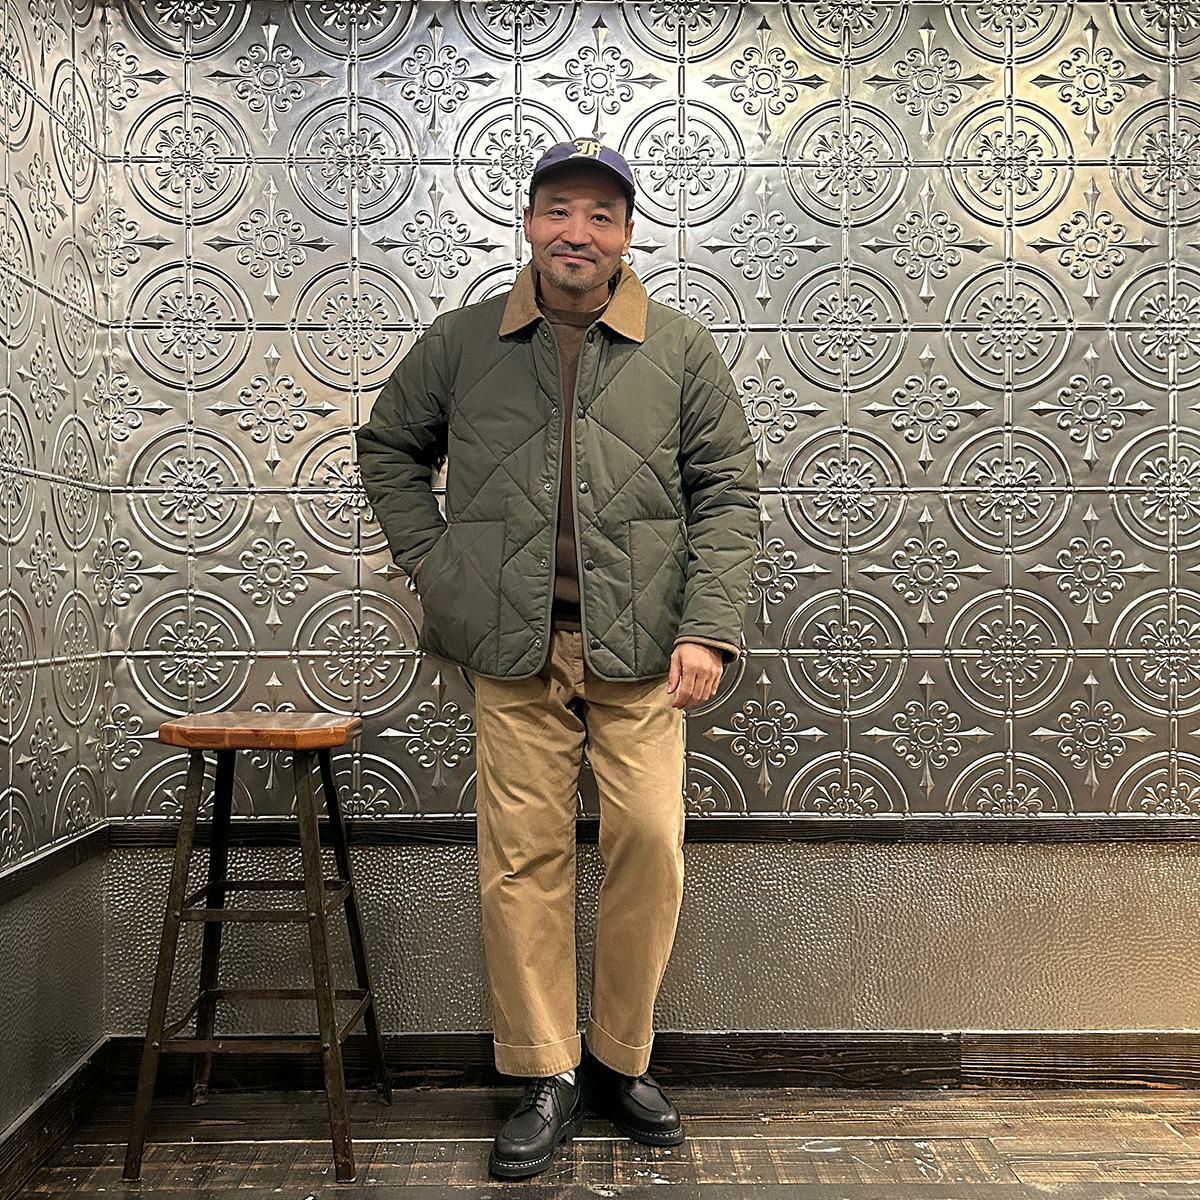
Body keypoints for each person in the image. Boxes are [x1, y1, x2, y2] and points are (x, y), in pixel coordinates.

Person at [355, 137, 759, 1180]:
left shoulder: (680, 348)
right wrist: (436, 565)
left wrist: (708, 627)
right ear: (530, 223)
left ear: (626, 234)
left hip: (645, 648)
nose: (578, 233)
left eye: (600, 216)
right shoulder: (463, 340)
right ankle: (545, 1073)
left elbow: (727, 492)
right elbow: (388, 446)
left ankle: (620, 1060)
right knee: (522, 860)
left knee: (650, 844)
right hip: (511, 650)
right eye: (559, 211)